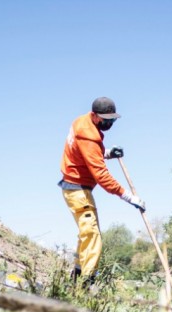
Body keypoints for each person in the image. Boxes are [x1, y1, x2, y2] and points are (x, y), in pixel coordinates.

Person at [59, 96, 145, 284]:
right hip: (77, 189)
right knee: (92, 235)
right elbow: (102, 176)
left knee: (86, 234)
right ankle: (86, 284)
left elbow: (87, 154)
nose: (110, 123)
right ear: (94, 115)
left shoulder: (81, 122)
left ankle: (76, 279)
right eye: (106, 120)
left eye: (113, 120)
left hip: (77, 188)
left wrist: (107, 153)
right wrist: (128, 197)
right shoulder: (89, 134)